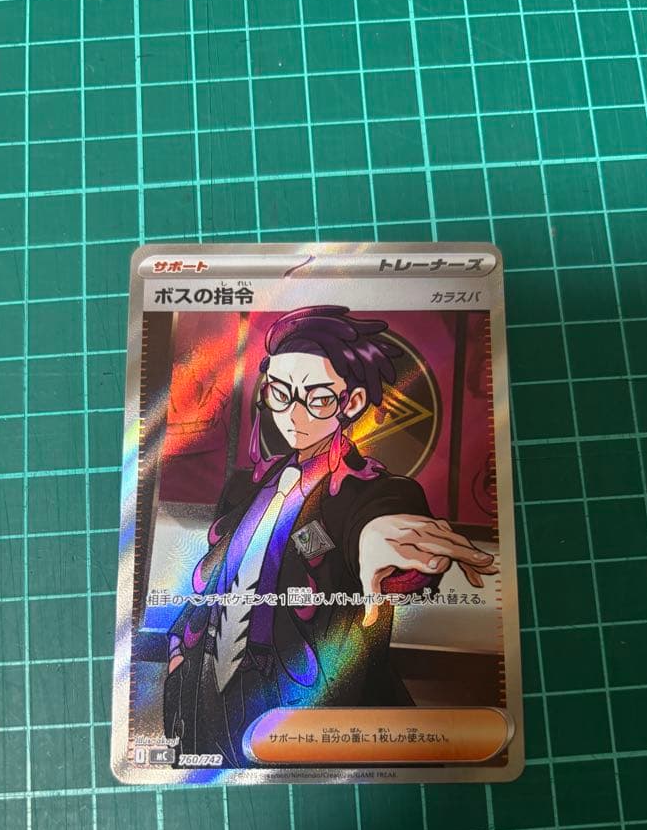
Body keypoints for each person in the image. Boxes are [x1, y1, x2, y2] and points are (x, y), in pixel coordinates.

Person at [164, 305, 496, 766]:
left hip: (309, 705)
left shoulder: (370, 492)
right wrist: (180, 659)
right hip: (210, 692)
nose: (293, 414)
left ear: (352, 403)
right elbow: (214, 587)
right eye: (280, 393)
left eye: (318, 399)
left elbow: (375, 523)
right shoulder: (243, 488)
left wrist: (379, 543)